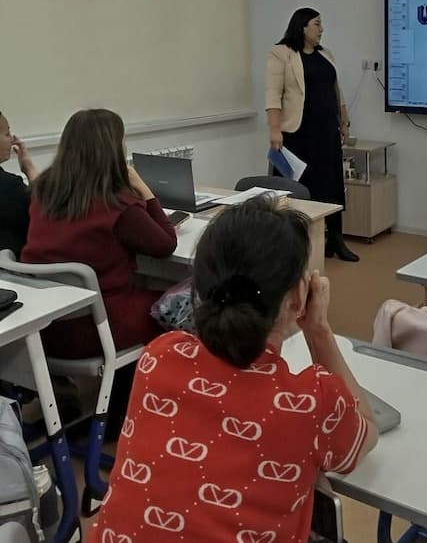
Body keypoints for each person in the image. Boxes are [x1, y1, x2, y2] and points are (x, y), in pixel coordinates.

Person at [90, 196, 379, 542]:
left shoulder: (160, 356)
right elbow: (366, 433)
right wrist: (319, 330)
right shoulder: (311, 400)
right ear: (298, 295)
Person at [22, 109, 177, 435]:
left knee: (135, 293)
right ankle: (143, 408)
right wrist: (146, 191)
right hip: (95, 328)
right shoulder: (117, 204)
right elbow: (166, 243)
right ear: (112, 151)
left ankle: (118, 401)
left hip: (40, 329)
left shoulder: (43, 192)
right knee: (176, 302)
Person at [266, 7, 360, 262]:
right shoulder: (281, 53)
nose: (322, 29)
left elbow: (337, 91)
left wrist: (344, 122)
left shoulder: (325, 55)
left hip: (326, 132)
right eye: (317, 24)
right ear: (302, 26)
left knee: (332, 185)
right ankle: (297, 243)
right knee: (300, 188)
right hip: (298, 134)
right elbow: (272, 96)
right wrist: (274, 130)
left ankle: (336, 239)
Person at [0, 111, 38, 256]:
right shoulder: (10, 186)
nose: (12, 140)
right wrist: (30, 169)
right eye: (7, 134)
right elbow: (46, 210)